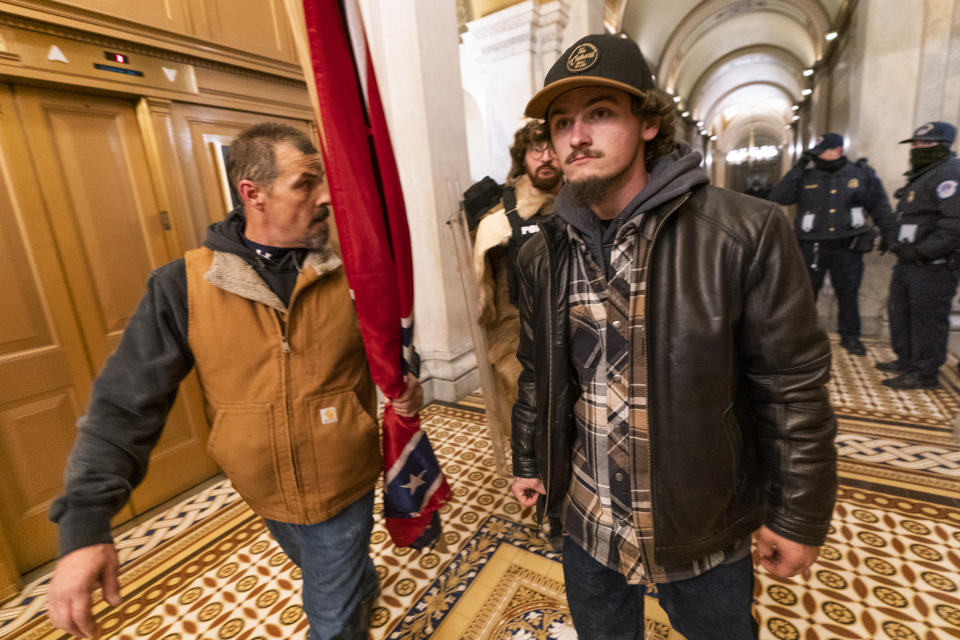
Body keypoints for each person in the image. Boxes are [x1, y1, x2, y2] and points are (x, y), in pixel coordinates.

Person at [510, 34, 837, 639]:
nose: (577, 135)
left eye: (601, 113)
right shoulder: (543, 253)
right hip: (589, 520)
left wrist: (797, 516)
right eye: (562, 122)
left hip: (700, 524)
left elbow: (790, 388)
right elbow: (538, 371)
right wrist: (528, 459)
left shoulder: (742, 233)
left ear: (648, 124)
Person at [45, 122, 422, 640]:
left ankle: (348, 594)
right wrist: (84, 523)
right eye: (306, 182)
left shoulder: (355, 272)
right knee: (325, 566)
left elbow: (395, 352)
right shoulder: (183, 285)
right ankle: (358, 579)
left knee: (332, 618)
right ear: (253, 194)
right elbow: (122, 406)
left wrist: (409, 378)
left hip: (343, 477)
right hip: (262, 487)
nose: (326, 195)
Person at [472, 119, 563, 548]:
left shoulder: (586, 203)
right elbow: (492, 296)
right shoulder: (500, 219)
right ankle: (548, 508)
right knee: (534, 423)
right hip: (520, 335)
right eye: (535, 149)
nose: (545, 157)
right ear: (522, 157)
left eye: (552, 147)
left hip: (577, 329)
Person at [769, 132, 895, 356]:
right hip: (812, 247)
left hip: (848, 246)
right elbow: (779, 196)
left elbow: (880, 207)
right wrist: (798, 168)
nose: (817, 157)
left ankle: (851, 337)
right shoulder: (807, 176)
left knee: (848, 294)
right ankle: (800, 337)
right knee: (806, 294)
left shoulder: (861, 174)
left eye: (822, 152)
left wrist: (890, 235)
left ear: (837, 150)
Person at [877, 121, 960, 389]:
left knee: (927, 320)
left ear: (943, 146)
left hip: (932, 266)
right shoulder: (924, 174)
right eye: (915, 144)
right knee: (901, 313)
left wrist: (922, 250)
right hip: (908, 261)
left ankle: (924, 373)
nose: (917, 148)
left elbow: (953, 226)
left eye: (925, 144)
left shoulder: (950, 174)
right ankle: (908, 360)